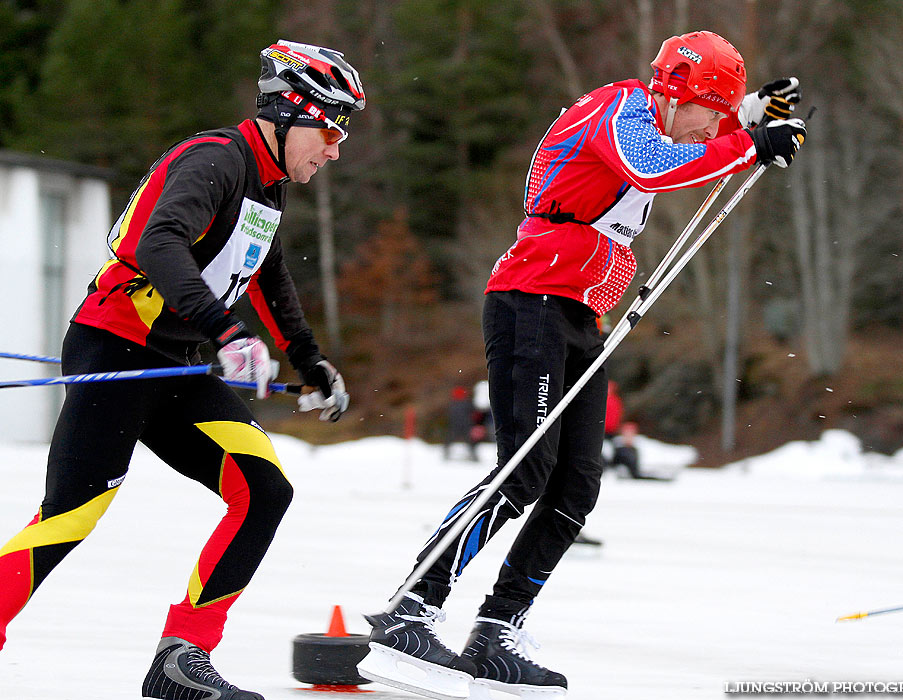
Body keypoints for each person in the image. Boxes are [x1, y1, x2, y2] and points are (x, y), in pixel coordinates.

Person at [358, 30, 805, 700]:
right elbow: (653, 166)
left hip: (578, 314)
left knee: (575, 487)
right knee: (523, 471)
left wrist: (749, 121)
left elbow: (684, 149)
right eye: (710, 111)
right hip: (532, 299)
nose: (709, 127)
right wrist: (747, 142)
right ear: (681, 92)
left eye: (720, 117)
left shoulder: (664, 119)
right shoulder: (621, 106)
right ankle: (413, 608)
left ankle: (497, 629)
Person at [0, 40, 363, 700]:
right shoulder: (215, 161)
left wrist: (308, 359)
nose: (335, 148)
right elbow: (157, 242)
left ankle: (183, 655)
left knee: (264, 489)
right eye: (331, 128)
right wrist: (224, 333)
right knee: (69, 517)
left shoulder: (266, 185)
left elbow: (267, 275)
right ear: (291, 115)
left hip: (179, 365)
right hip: (118, 344)